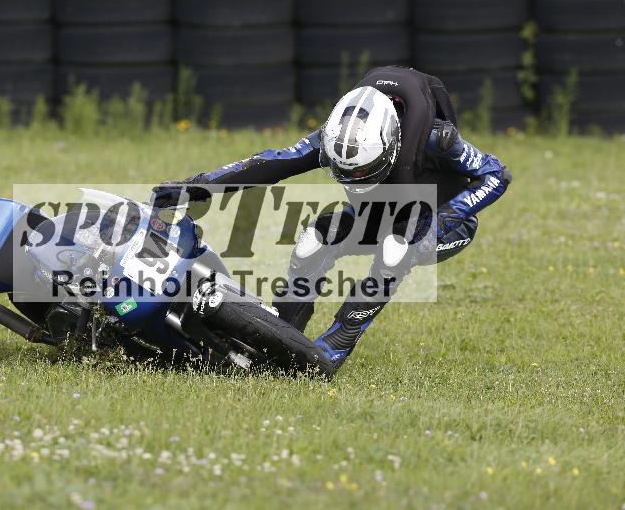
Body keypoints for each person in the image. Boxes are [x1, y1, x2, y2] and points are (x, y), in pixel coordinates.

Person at [153, 66, 512, 371]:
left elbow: (496, 175)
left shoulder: (438, 140)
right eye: (347, 175)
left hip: (444, 220)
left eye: (366, 173)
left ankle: (340, 340)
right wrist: (193, 187)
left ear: (390, 146)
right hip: (380, 215)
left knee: (394, 250)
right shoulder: (331, 138)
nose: (356, 184)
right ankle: (281, 331)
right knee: (313, 243)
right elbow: (268, 164)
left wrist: (444, 219)